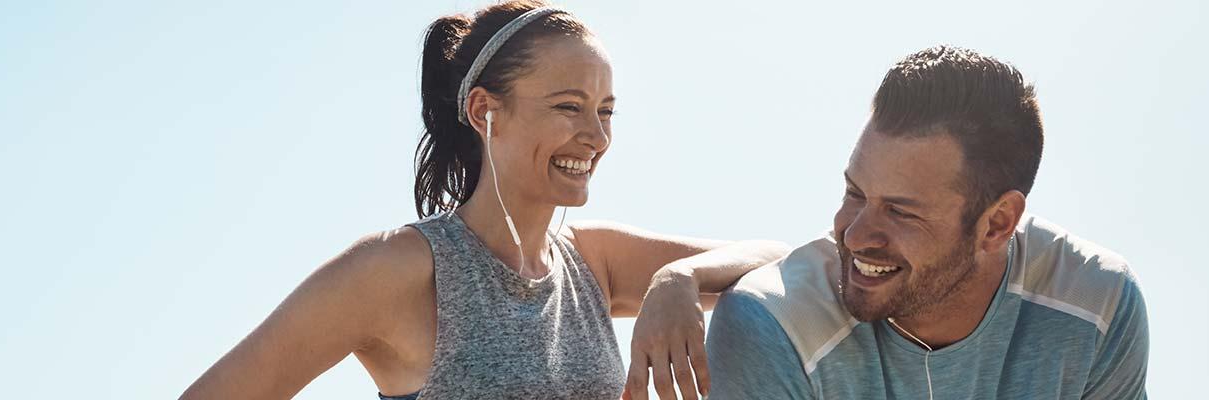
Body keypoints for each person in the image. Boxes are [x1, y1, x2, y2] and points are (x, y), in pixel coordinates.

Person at [181, 2, 786, 399]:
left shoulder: (593, 260)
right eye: (568, 107)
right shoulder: (398, 270)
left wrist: (679, 279)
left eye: (606, 112)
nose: (596, 137)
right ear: (483, 111)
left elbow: (783, 264)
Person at [704, 45, 1149, 399]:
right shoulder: (774, 327)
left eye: (900, 211)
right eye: (855, 193)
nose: (855, 236)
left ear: (996, 224)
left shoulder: (1095, 303)